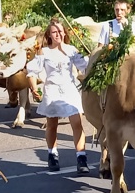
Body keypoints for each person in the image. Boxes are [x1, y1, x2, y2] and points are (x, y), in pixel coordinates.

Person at [26, 20, 90, 174]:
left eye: (61, 31)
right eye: (55, 32)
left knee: (77, 123)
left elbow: (84, 66)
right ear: (49, 35)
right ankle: (52, 155)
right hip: (52, 90)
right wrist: (34, 88)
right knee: (52, 124)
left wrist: (92, 58)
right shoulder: (44, 52)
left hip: (69, 89)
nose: (58, 34)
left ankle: (81, 158)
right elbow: (32, 71)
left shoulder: (71, 50)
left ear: (65, 33)